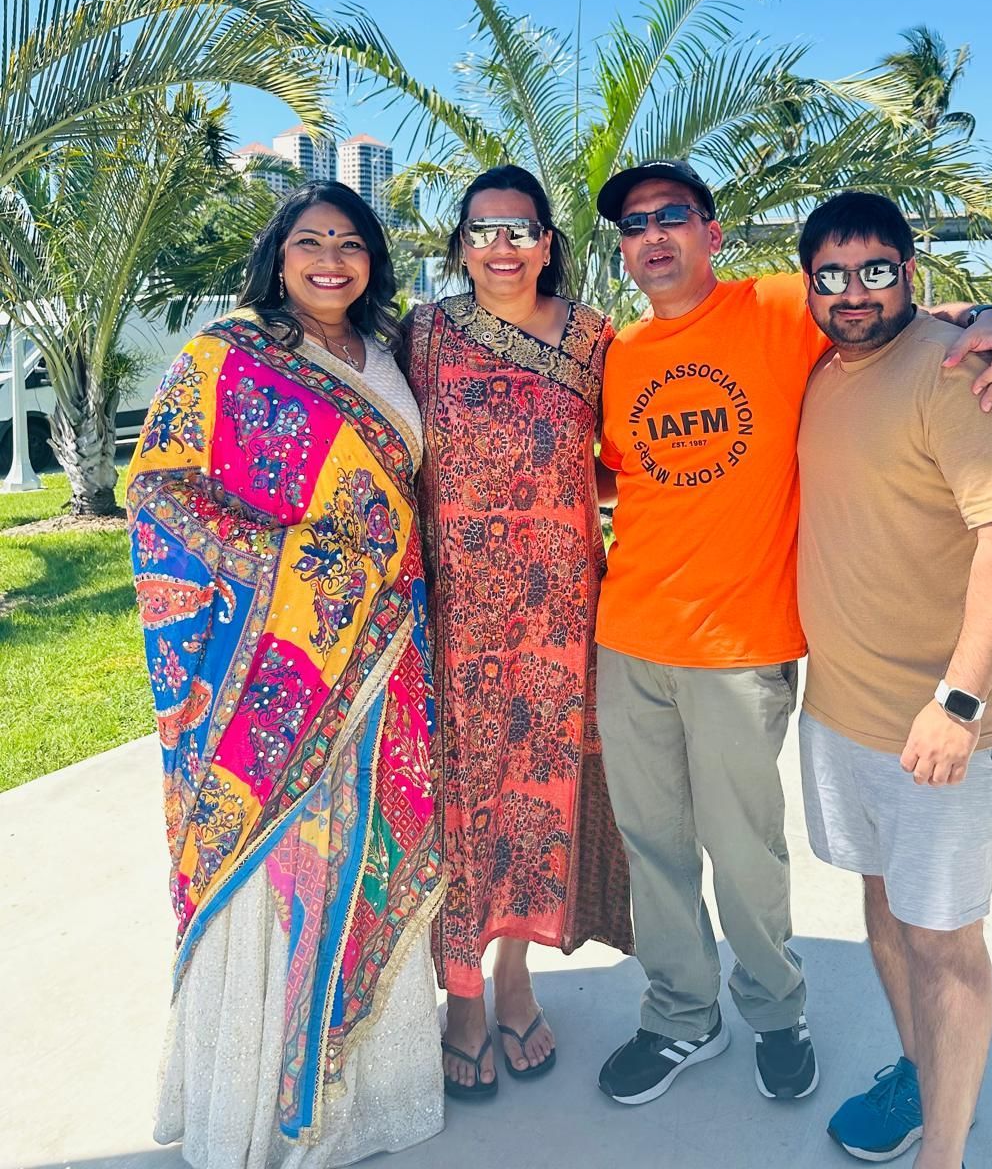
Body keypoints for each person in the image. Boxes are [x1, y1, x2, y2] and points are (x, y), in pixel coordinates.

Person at [591, 159, 992, 1109]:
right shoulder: (618, 351)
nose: (655, 235)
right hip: (629, 635)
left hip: (740, 645)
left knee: (745, 849)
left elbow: (897, 299)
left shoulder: (783, 306)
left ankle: (777, 1008)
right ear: (622, 249)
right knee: (653, 845)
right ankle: (680, 1015)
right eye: (635, 224)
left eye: (674, 215)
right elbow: (619, 475)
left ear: (713, 233)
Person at [127, 181, 444, 1168]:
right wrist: (302, 565)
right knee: (278, 873)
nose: (330, 260)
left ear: (372, 261)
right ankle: (257, 1111)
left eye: (350, 244)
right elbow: (163, 485)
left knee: (372, 855)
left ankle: (368, 1098)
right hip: (273, 675)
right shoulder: (229, 355)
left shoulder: (390, 358)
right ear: (277, 254)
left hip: (389, 656)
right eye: (309, 241)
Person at [795, 191, 992, 1169]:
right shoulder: (824, 368)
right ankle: (918, 1070)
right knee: (885, 906)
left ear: (912, 272)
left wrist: (959, 700)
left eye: (876, 269)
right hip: (844, 712)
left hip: (942, 722)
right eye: (833, 273)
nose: (854, 290)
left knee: (944, 938)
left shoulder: (960, 374)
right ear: (809, 283)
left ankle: (943, 1153)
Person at [399, 164, 632, 1100]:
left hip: (559, 610)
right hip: (454, 611)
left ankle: (517, 977)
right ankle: (460, 995)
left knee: (543, 791)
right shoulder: (421, 335)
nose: (502, 245)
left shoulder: (591, 338)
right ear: (460, 244)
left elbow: (630, 458)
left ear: (548, 243)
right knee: (464, 795)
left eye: (521, 228)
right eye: (484, 228)